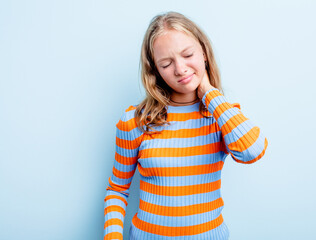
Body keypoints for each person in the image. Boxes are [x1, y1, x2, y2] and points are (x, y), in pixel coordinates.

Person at [103, 11, 268, 240]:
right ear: (156, 72)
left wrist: (210, 94)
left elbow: (253, 150)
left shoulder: (221, 116)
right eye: (166, 64)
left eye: (188, 54)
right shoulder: (135, 121)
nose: (180, 69)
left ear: (204, 53)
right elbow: (117, 190)